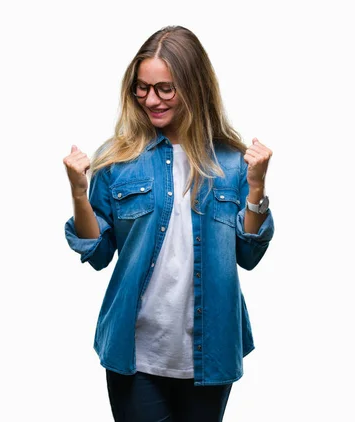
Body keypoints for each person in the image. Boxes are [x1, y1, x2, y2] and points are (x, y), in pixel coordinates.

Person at [63, 25, 274, 422]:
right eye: (142, 88)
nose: (151, 100)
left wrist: (257, 187)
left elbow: (249, 254)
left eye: (165, 88)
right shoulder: (116, 159)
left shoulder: (232, 162)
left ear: (194, 87)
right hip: (135, 350)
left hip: (210, 352)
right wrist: (78, 192)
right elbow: (98, 255)